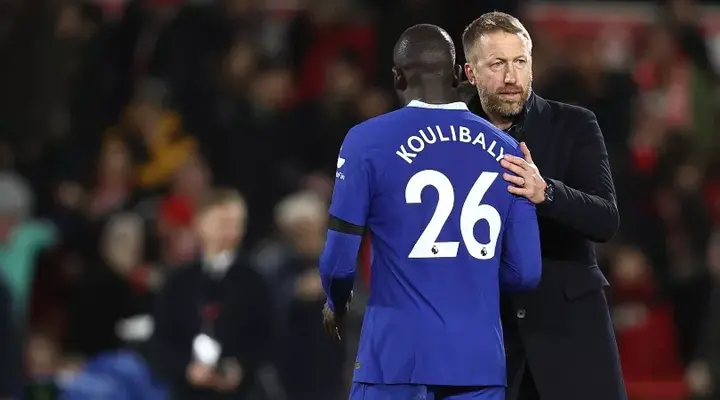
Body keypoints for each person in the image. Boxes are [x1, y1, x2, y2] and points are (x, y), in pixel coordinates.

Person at [319, 24, 542, 400]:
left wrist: (335, 301)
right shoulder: (507, 148)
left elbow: (339, 261)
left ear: (397, 77)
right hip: (478, 363)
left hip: (394, 359)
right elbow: (527, 272)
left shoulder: (366, 141)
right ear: (458, 75)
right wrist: (471, 280)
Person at [459, 12, 626, 400]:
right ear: (470, 72)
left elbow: (605, 219)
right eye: (497, 64)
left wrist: (545, 191)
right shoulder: (450, 137)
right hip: (489, 338)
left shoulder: (575, 124)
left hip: (571, 334)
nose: (511, 77)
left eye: (520, 62)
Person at [151, 189, 273, 399]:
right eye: (222, 222)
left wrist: (241, 367)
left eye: (237, 223)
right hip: (187, 392)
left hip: (243, 392)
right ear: (200, 223)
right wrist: (186, 369)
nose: (231, 232)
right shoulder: (177, 281)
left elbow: (268, 337)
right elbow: (162, 338)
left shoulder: (255, 280)